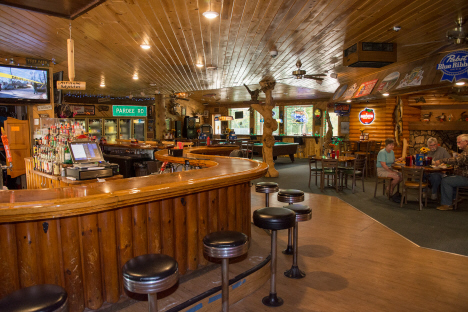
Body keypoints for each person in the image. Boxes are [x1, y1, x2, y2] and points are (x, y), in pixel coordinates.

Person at [434, 134, 468, 211]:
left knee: (446, 181)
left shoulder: (467, 152)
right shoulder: (465, 152)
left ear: (466, 142)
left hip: (466, 177)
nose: (457, 144)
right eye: (457, 142)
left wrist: (441, 160)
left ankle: (447, 204)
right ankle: (455, 198)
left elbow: (457, 160)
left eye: (459, 142)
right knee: (449, 177)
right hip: (463, 175)